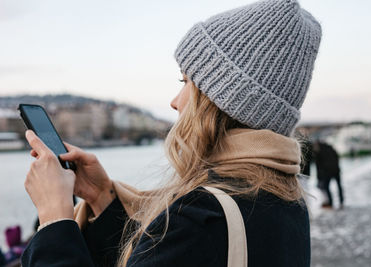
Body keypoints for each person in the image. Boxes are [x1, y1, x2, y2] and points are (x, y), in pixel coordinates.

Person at [21, 0, 322, 266]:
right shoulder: (286, 200)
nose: (175, 102)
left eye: (185, 81)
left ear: (218, 100)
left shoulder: (200, 217)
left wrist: (54, 218)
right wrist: (103, 197)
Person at [313, 141, 344, 209]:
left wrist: (319, 177)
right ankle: (341, 202)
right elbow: (337, 157)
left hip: (327, 172)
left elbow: (318, 165)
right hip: (336, 170)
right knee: (339, 186)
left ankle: (330, 202)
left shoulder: (318, 151)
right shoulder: (331, 148)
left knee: (327, 187)